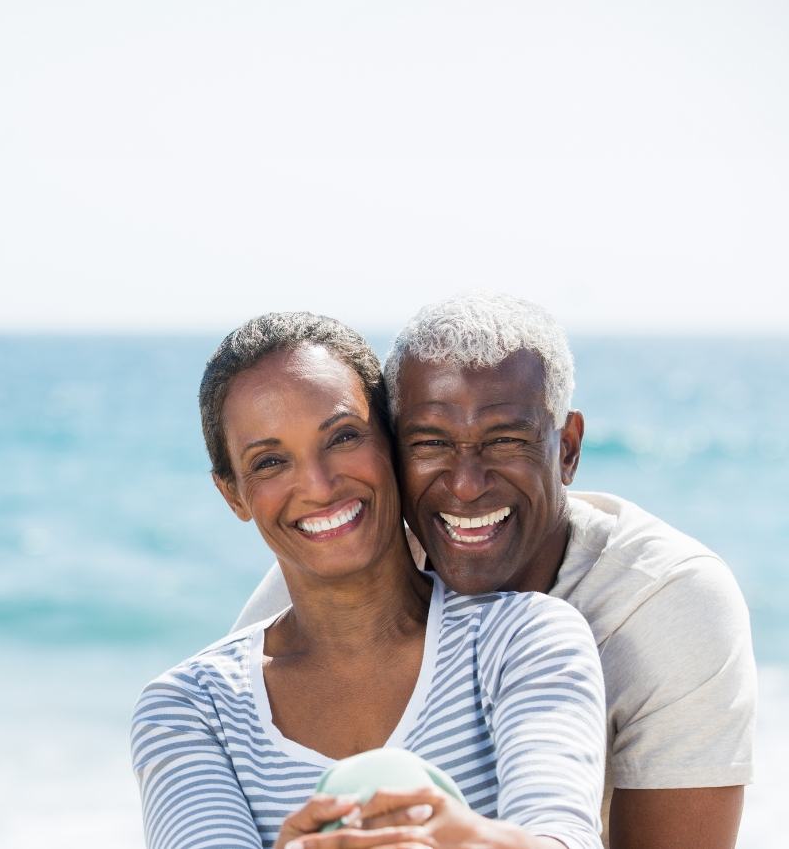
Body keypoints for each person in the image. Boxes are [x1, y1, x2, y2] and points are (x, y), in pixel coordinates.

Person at [232, 294, 756, 849]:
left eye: (505, 441)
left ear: (568, 449)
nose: (465, 484)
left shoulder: (665, 602)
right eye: (430, 442)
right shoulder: (328, 587)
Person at [131, 312, 607, 849]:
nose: (319, 485)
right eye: (269, 462)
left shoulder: (523, 639)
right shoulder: (192, 708)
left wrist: (467, 842)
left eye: (343, 437)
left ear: (394, 444)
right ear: (233, 494)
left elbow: (560, 836)